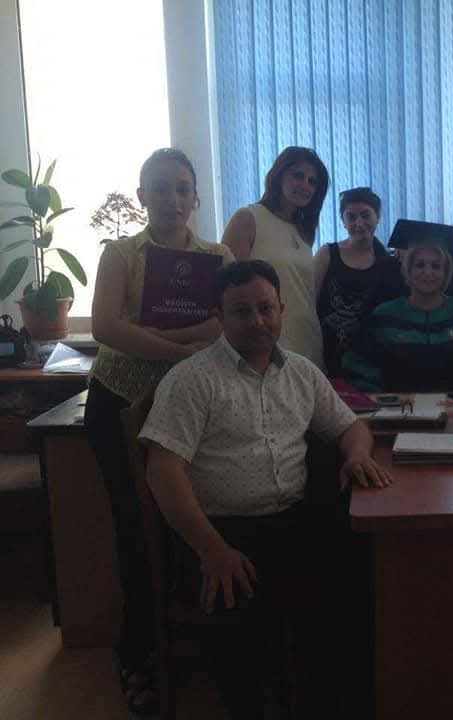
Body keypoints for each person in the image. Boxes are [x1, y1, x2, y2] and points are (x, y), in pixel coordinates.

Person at [139, 260, 392, 719]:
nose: (257, 321)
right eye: (242, 311)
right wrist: (211, 549)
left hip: (293, 522)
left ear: (281, 309)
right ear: (219, 315)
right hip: (221, 533)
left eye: (265, 308)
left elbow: (350, 426)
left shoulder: (300, 372)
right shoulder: (192, 380)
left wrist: (357, 455)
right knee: (238, 627)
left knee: (356, 591)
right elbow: (162, 470)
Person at [85, 148, 234, 714]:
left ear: (195, 196)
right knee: (136, 529)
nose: (172, 199)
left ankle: (202, 641)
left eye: (182, 188)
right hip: (120, 402)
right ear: (141, 195)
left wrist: (155, 336)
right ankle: (138, 652)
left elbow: (225, 324)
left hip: (191, 406)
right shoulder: (121, 253)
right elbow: (105, 328)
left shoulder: (217, 257)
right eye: (160, 187)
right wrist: (181, 348)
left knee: (192, 522)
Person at [343, 242, 453, 392]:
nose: (428, 272)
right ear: (408, 270)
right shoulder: (383, 318)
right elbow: (359, 365)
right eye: (419, 265)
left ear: (446, 273)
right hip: (397, 410)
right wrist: (380, 402)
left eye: (436, 266)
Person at [221, 146, 329, 368]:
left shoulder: (304, 232)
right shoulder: (248, 218)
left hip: (308, 338)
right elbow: (226, 288)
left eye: (312, 181)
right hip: (264, 340)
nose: (305, 185)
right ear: (279, 175)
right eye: (297, 175)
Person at [315, 187, 395, 375]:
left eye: (366, 215)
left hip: (372, 358)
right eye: (351, 217)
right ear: (343, 221)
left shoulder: (389, 262)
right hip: (328, 352)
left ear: (378, 216)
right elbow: (309, 302)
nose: (359, 223)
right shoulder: (327, 254)